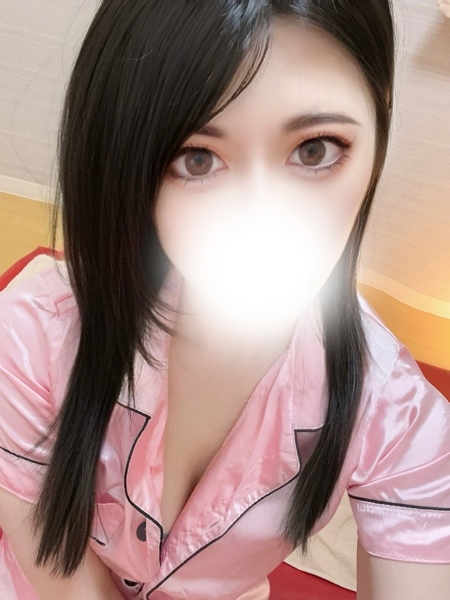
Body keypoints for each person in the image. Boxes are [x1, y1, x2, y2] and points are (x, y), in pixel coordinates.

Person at [0, 1, 449, 598]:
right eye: (198, 159)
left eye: (315, 150)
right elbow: (56, 570)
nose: (264, 226)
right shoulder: (34, 336)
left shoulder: (396, 415)